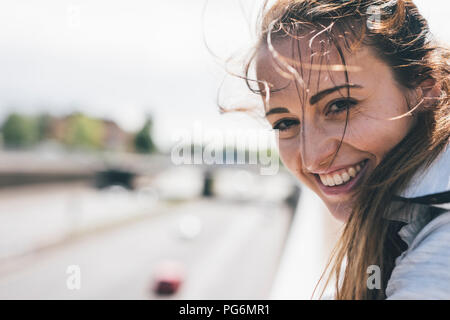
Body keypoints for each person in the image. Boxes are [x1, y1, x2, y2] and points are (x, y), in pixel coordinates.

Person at [234, 0, 450, 299]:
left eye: (340, 106)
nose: (312, 158)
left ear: (426, 89)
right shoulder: (392, 218)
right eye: (285, 123)